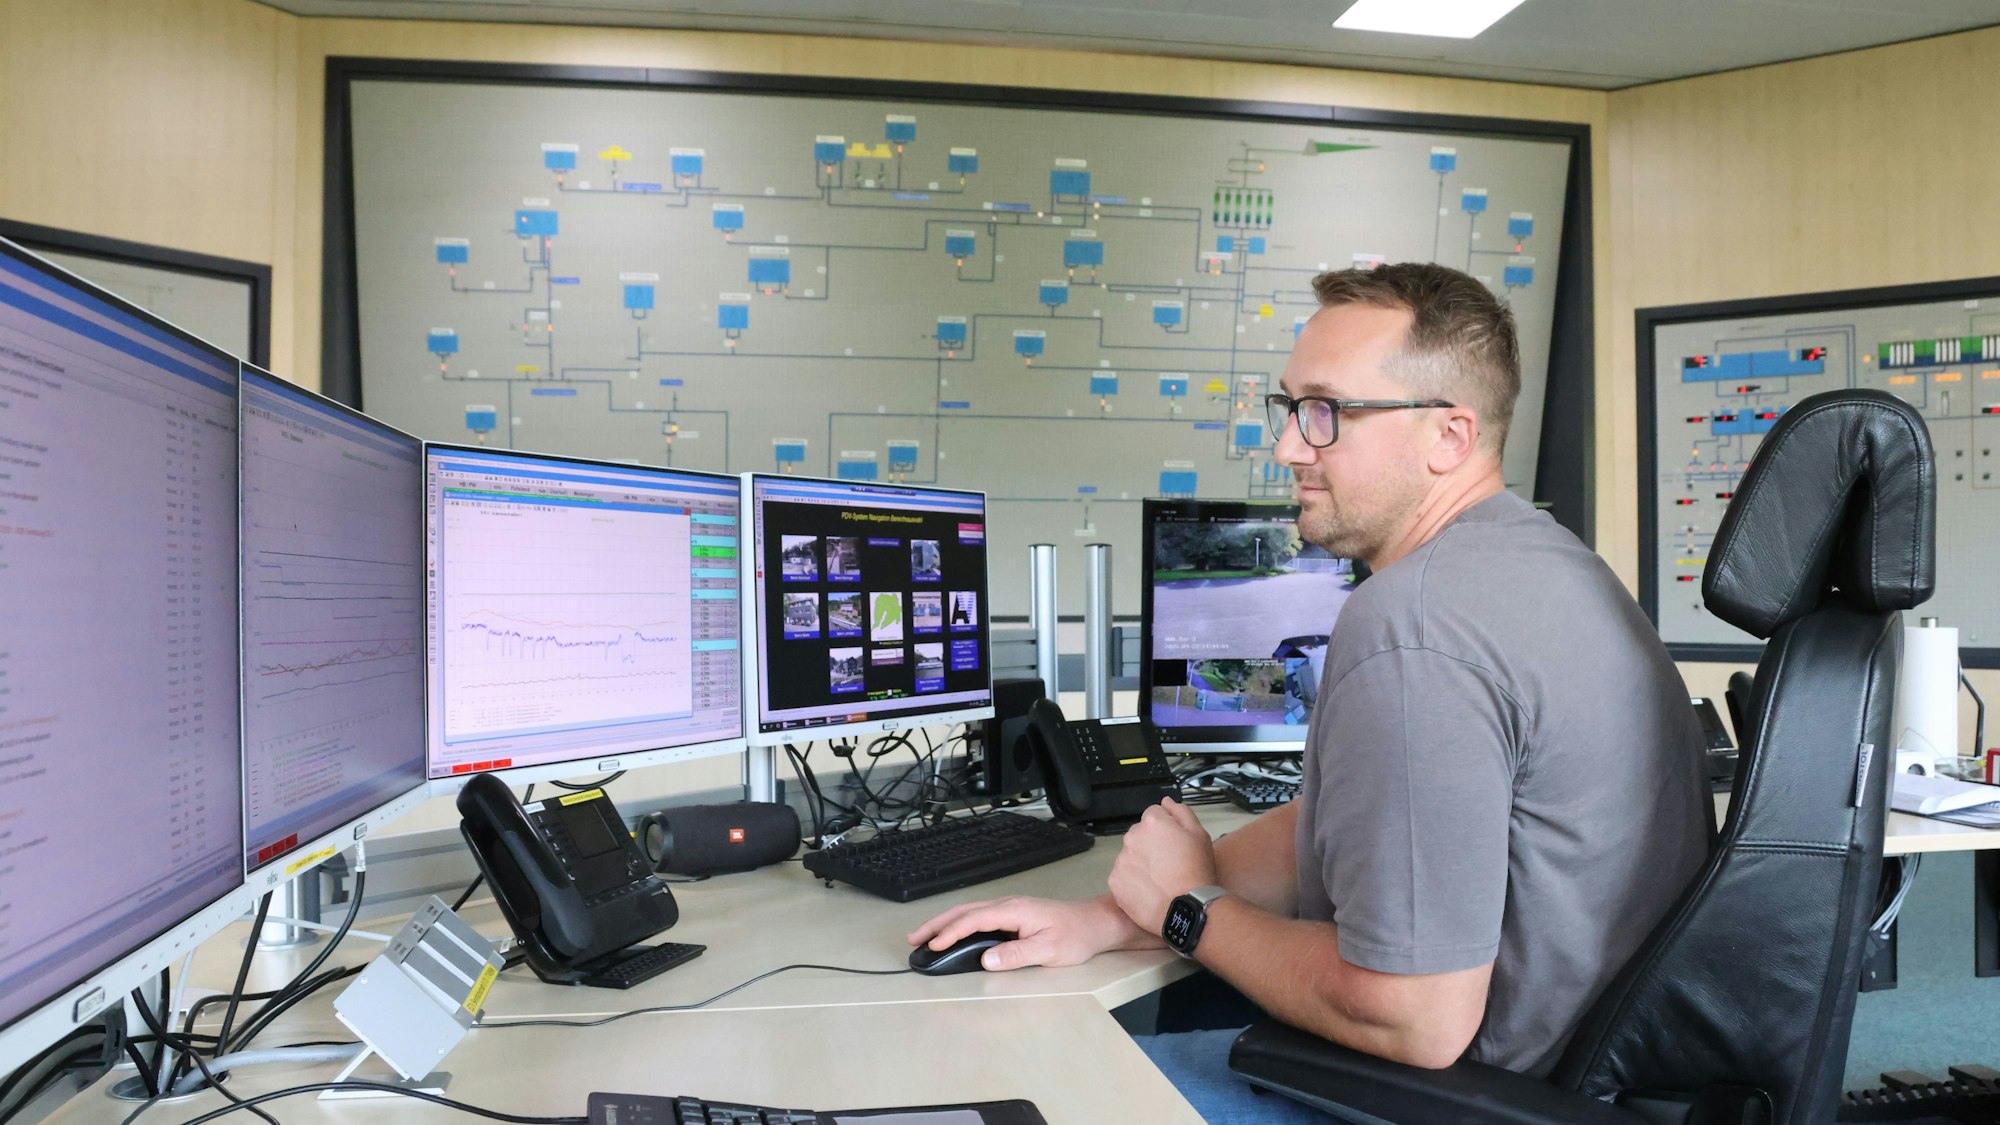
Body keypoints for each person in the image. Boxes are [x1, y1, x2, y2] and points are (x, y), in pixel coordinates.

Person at [910, 262, 1711, 1122]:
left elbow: (1416, 1021)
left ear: (1448, 435)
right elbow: (1359, 826)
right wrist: (1113, 916)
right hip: (1599, 1078)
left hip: (1455, 1096)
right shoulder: (1546, 562)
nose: (1290, 445)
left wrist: (1189, 909)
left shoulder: (1414, 628)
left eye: (1329, 413)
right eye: (1291, 409)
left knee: (1010, 1086)